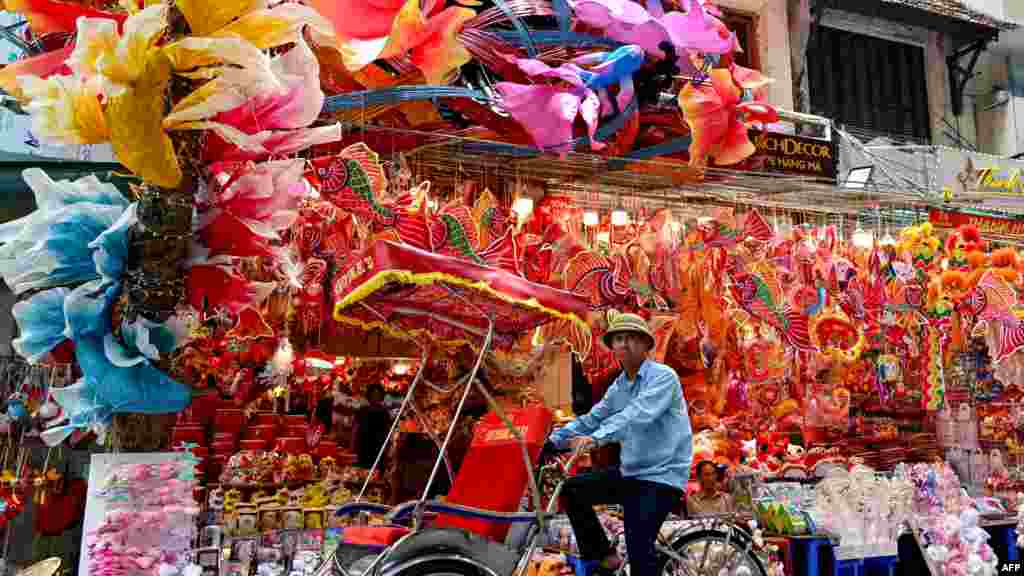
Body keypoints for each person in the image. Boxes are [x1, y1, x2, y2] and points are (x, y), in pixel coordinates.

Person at [546, 313, 692, 576]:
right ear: (612, 346)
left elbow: (635, 415)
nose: (625, 344)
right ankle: (603, 556)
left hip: (662, 476)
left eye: (632, 339)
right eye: (619, 339)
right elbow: (593, 418)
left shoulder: (663, 377)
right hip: (632, 474)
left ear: (646, 345)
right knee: (571, 489)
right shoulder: (620, 385)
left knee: (638, 546)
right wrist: (551, 442)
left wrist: (595, 439)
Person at [352, 383, 392, 469]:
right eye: (373, 394)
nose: (375, 397)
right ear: (369, 395)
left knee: (376, 470)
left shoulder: (385, 412)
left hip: (378, 446)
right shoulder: (362, 410)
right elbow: (355, 428)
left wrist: (388, 447)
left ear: (381, 396)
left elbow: (388, 430)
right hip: (364, 445)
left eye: (377, 394)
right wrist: (352, 445)